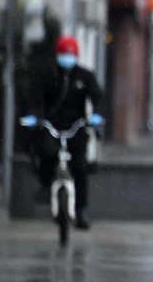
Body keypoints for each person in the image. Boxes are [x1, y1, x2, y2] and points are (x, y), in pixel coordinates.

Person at [32, 36, 104, 230]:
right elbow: (36, 100)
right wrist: (36, 118)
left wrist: (96, 117)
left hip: (76, 129)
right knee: (46, 153)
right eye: (64, 54)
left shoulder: (85, 76)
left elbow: (97, 97)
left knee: (80, 168)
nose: (67, 58)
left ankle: (81, 209)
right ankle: (46, 185)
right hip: (52, 127)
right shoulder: (48, 76)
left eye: (70, 54)